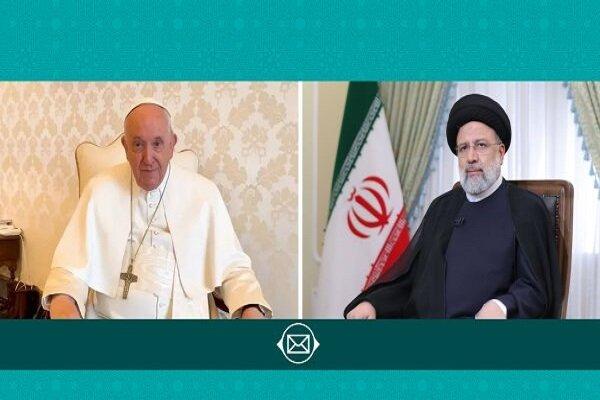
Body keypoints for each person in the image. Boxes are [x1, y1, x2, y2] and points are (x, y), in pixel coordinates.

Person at [42, 101, 271, 319]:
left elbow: (233, 269)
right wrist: (64, 302)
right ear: (125, 146)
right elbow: (68, 270)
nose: (148, 159)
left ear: (172, 145)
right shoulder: (100, 190)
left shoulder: (204, 194)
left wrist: (250, 306)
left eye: (157, 144)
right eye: (138, 145)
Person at [345, 93, 562, 319]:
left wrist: (502, 306)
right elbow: (412, 279)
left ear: (500, 153)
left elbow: (536, 289)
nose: (471, 157)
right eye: (463, 148)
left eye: (481, 145)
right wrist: (373, 304)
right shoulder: (442, 208)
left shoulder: (526, 209)